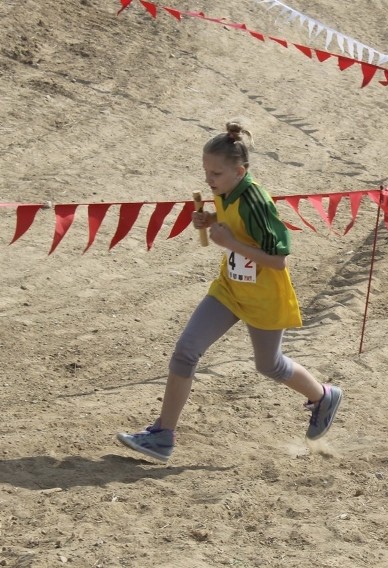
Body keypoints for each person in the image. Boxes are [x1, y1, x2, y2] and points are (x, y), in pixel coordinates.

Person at [117, 121, 342, 462]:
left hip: (264, 296)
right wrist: (209, 221)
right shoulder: (226, 190)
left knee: (270, 366)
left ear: (240, 171)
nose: (209, 180)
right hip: (229, 289)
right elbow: (231, 228)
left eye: (216, 173)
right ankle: (163, 436)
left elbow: (279, 261)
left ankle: (323, 396)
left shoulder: (256, 202)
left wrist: (230, 242)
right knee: (185, 352)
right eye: (206, 171)